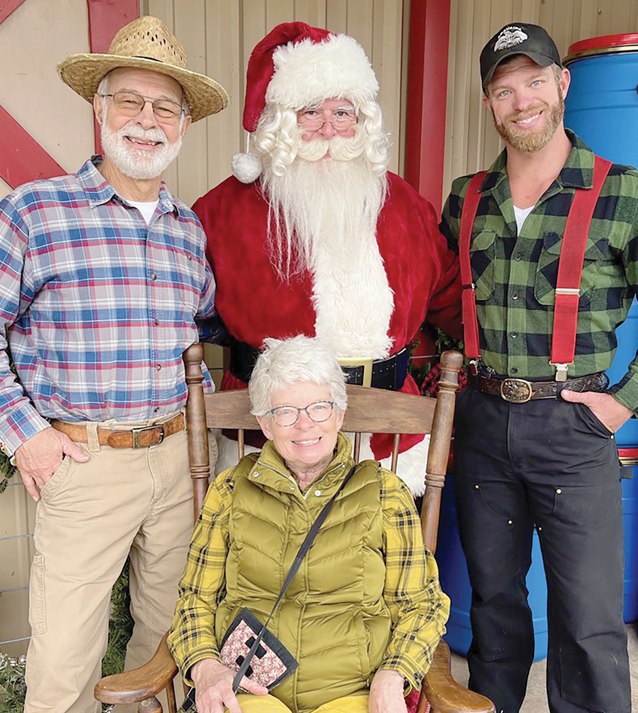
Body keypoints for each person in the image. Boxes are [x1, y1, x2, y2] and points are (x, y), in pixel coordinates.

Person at [0, 16, 228, 713]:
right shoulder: (36, 212)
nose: (146, 120)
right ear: (98, 113)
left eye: (164, 107)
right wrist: (24, 432)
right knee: (66, 655)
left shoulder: (187, 232)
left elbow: (193, 341)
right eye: (128, 101)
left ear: (184, 124)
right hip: (85, 462)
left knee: (167, 631)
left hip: (177, 464)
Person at [438, 23, 638, 713]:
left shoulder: (626, 192)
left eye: (532, 81)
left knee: (587, 611)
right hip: (484, 421)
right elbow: (445, 306)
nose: (519, 100)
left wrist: (622, 403)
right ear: (490, 101)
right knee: (493, 589)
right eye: (502, 87)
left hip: (572, 426)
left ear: (561, 85)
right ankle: (492, 709)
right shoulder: (468, 197)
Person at [167, 335, 449, 713]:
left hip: (350, 694)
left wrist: (390, 679)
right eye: (285, 411)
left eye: (318, 407)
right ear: (263, 421)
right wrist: (204, 667)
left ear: (339, 413)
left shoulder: (383, 493)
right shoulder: (230, 491)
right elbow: (194, 599)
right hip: (247, 693)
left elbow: (423, 605)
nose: (304, 425)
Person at [192, 22, 463, 495]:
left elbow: (452, 296)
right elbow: (187, 310)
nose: (328, 129)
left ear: (363, 123)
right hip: (265, 436)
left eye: (343, 112)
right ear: (280, 121)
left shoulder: (404, 205)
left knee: (378, 562)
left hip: (387, 431)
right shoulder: (221, 210)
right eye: (310, 111)